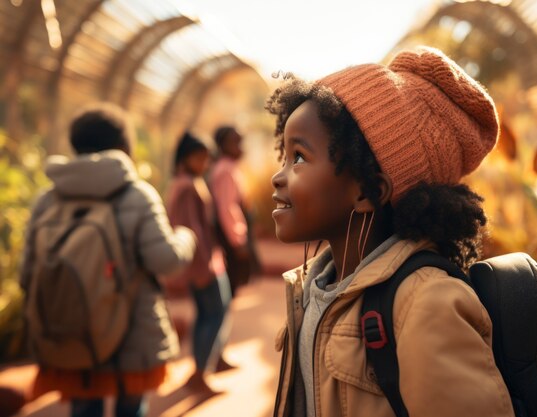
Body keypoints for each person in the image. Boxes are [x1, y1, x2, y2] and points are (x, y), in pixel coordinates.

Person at [266, 47, 516, 417]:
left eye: (299, 157)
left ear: (367, 191)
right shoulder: (317, 287)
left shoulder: (427, 303)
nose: (278, 175)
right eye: (284, 156)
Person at [20, 103, 196, 417]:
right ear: (123, 146)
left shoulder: (47, 199)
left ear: (76, 144)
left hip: (69, 333)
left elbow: (26, 274)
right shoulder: (137, 195)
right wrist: (186, 237)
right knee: (131, 408)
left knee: (84, 406)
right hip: (131, 337)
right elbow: (166, 262)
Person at [166, 132, 232, 393]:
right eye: (199, 157)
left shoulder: (187, 182)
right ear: (185, 158)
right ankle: (200, 372)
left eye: (206, 158)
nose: (205, 162)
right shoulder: (187, 187)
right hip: (204, 265)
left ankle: (208, 364)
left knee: (210, 313)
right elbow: (190, 230)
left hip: (205, 262)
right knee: (213, 313)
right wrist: (204, 266)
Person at [209, 126, 259, 296]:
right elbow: (227, 208)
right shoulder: (225, 171)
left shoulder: (229, 168)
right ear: (222, 145)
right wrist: (238, 241)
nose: (240, 147)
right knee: (230, 289)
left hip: (229, 236)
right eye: (235, 143)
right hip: (230, 238)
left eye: (240, 142)